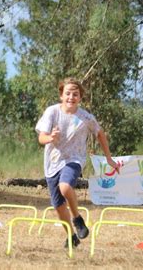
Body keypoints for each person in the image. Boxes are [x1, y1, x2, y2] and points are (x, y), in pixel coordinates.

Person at [35, 77, 119, 248]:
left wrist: (109, 158)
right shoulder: (52, 112)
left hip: (74, 160)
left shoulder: (86, 117)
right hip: (52, 163)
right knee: (58, 206)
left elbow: (100, 134)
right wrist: (50, 137)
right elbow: (41, 138)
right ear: (61, 95)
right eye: (68, 93)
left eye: (75, 94)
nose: (71, 97)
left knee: (65, 187)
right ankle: (72, 237)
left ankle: (77, 218)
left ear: (80, 98)